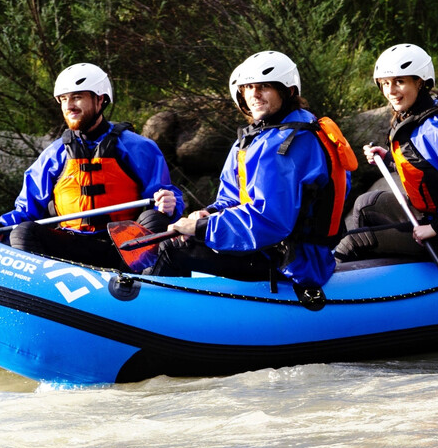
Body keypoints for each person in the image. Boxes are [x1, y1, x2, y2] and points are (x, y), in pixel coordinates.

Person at [147, 51, 352, 289]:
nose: (254, 94)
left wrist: (202, 228)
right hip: (269, 246)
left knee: (174, 250)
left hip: (291, 260)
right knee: (176, 237)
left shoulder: (291, 144)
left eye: (264, 86)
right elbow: (232, 197)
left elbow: (271, 222)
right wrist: (210, 213)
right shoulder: (257, 137)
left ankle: (146, 317)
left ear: (288, 92)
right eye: (248, 87)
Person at [0, 62, 183, 269]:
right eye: (64, 99)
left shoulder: (138, 148)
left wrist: (170, 204)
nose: (69, 106)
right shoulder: (53, 155)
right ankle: (43, 298)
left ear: (100, 100)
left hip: (124, 249)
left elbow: (165, 197)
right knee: (24, 232)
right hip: (73, 245)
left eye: (77, 97)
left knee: (154, 219)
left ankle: (142, 288)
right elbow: (26, 210)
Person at [334, 44, 438, 263]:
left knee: (353, 242)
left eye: (400, 82)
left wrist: (436, 227)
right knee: (366, 203)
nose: (391, 91)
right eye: (385, 84)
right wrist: (388, 159)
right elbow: (428, 170)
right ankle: (382, 273)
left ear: (420, 81)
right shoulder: (415, 116)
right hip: (433, 217)